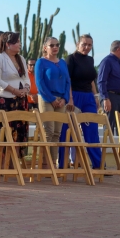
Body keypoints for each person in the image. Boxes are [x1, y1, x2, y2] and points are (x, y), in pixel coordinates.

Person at [0, 32, 30, 161]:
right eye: (16, 42)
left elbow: (26, 77)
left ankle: (14, 162)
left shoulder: (21, 58)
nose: (19, 44)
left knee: (19, 131)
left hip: (20, 100)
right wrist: (14, 90)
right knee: (3, 132)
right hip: (2, 100)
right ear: (7, 44)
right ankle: (2, 162)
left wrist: (26, 89)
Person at [35, 36, 73, 166]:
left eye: (57, 45)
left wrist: (64, 99)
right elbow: (39, 83)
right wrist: (51, 99)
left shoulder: (62, 62)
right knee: (48, 132)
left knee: (57, 133)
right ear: (45, 48)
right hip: (47, 99)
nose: (55, 47)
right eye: (52, 45)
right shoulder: (41, 62)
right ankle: (45, 164)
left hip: (61, 99)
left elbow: (68, 81)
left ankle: (53, 163)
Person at [66, 34, 100, 169]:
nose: (87, 47)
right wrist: (70, 98)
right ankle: (63, 164)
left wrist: (96, 96)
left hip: (88, 97)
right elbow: (67, 80)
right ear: (77, 44)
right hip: (74, 96)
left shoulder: (90, 60)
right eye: (84, 44)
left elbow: (91, 79)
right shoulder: (71, 59)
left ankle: (98, 164)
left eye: (89, 45)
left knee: (92, 131)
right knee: (68, 130)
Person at [98, 40, 120, 134]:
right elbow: (101, 81)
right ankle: (109, 147)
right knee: (109, 124)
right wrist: (105, 98)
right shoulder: (107, 61)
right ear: (118, 49)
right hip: (110, 96)